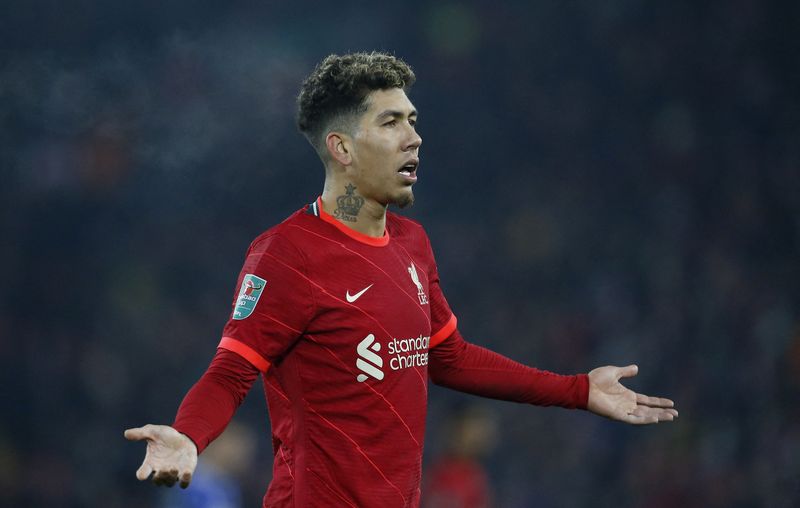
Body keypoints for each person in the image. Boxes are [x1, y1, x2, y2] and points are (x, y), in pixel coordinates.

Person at [124, 52, 678, 507]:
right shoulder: (287, 255)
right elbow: (231, 372)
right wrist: (188, 435)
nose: (414, 137)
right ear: (342, 147)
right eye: (391, 122)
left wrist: (578, 390)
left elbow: (450, 358)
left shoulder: (412, 243)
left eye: (412, 120)